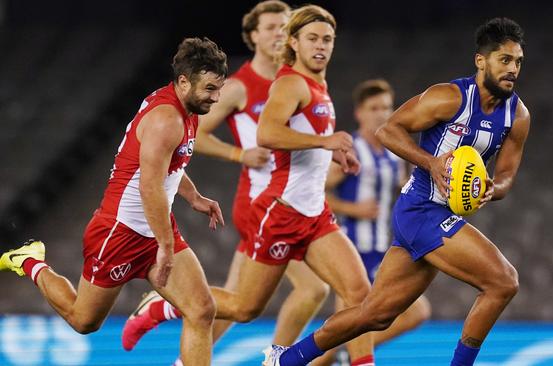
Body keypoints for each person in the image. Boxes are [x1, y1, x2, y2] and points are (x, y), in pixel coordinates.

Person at [265, 17, 530, 366]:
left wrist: (491, 189)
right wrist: (431, 163)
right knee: (504, 281)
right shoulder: (449, 97)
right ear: (482, 61)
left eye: (518, 62)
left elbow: (508, 176)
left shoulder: (518, 115)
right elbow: (389, 131)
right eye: (505, 60)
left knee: (374, 315)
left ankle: (286, 360)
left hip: (435, 216)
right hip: (421, 210)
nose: (513, 69)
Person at [121, 5, 376, 366]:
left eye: (326, 39)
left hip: (308, 206)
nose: (278, 33)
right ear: (259, 36)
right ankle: (269, 353)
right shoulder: (245, 86)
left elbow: (308, 132)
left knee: (252, 303)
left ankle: (272, 357)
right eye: (273, 27)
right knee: (277, 297)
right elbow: (201, 133)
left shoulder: (311, 81)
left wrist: (329, 151)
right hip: (265, 203)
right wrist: (239, 155)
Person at [0, 38, 229, 366]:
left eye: (218, 89)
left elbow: (168, 166)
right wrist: (165, 245)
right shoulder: (168, 119)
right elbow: (150, 187)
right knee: (84, 321)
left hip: (154, 229)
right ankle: (28, 261)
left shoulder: (187, 109)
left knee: (202, 310)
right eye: (209, 89)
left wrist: (193, 196)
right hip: (119, 233)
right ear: (183, 81)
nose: (215, 98)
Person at [312, 79, 432, 366]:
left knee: (416, 312)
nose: (381, 113)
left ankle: (345, 354)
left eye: (386, 107)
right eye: (374, 107)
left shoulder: (394, 150)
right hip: (351, 249)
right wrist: (351, 207)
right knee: (342, 330)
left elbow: (404, 188)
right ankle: (342, 355)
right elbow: (316, 193)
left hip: (380, 250)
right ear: (359, 113)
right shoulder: (350, 150)